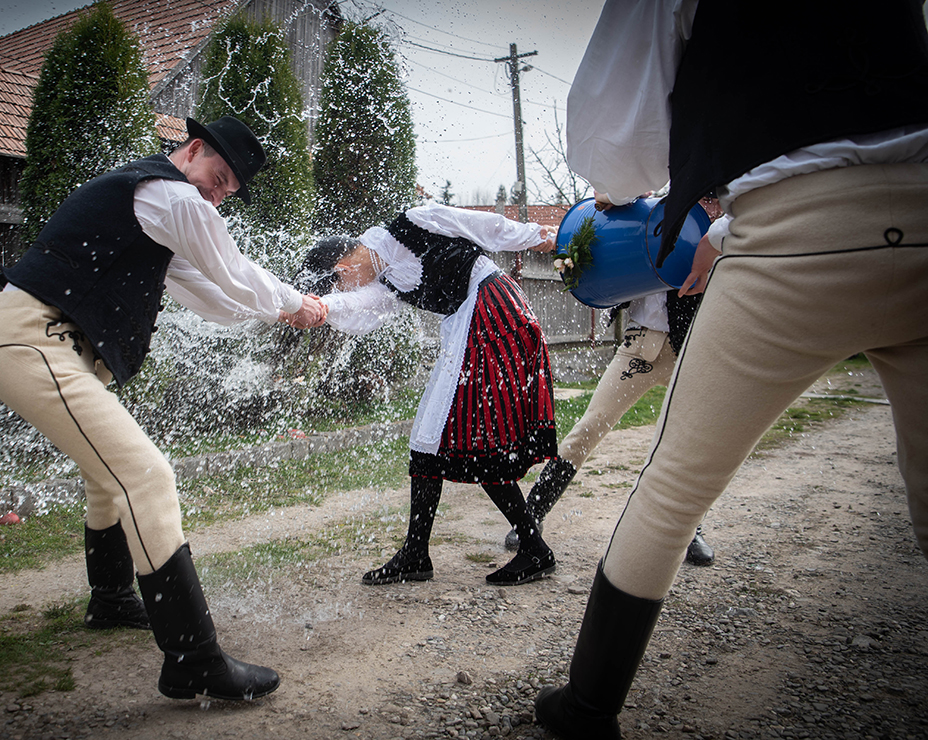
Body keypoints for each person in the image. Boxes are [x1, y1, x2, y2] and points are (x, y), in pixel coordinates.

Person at [533, 2, 928, 738]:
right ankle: (534, 517)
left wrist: (646, 194)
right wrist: (717, 223)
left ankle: (586, 710)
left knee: (673, 482)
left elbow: (613, 142)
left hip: (799, 236)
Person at [0, 116, 326, 702]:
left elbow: (212, 296)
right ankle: (194, 659)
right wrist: (297, 301)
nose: (217, 196)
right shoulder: (168, 193)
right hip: (36, 343)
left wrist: (279, 311)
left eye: (227, 193)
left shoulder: (157, 211)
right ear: (192, 150)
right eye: (217, 179)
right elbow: (235, 270)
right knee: (148, 477)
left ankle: (112, 599)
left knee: (108, 480)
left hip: (41, 345)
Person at [291, 202, 561, 586]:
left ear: (343, 269)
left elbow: (484, 225)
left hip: (492, 312)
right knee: (427, 439)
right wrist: (322, 306)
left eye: (337, 285)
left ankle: (534, 549)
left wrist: (536, 237)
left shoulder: (412, 221)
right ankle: (416, 554)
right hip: (467, 324)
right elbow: (361, 307)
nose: (348, 288)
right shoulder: (388, 280)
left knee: (473, 438)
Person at [502, 288, 716, 566]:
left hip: (691, 345)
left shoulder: (703, 242)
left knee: (691, 438)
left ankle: (690, 529)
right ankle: (532, 515)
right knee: (588, 429)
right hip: (638, 343)